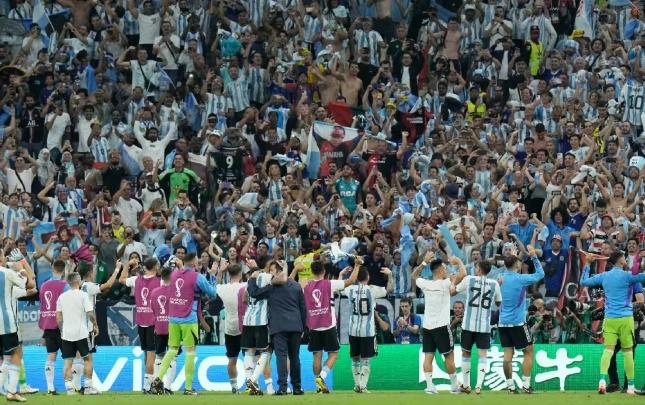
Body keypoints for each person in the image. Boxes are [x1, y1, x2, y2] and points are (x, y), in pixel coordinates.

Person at [150, 253, 217, 395]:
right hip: (189, 319)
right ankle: (188, 388)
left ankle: (157, 380)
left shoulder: (174, 274)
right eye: (197, 261)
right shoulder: (197, 277)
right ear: (192, 263)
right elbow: (212, 293)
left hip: (173, 318)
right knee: (190, 352)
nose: (198, 263)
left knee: (172, 350)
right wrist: (213, 275)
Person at [580, 251, 645, 395]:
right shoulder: (628, 276)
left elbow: (583, 282)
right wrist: (642, 261)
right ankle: (630, 387)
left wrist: (588, 263)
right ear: (621, 261)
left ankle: (602, 381)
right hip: (625, 319)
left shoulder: (604, 276)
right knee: (628, 352)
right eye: (624, 258)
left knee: (608, 351)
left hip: (609, 319)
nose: (626, 259)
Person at [247, 260, 308, 395]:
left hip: (278, 327)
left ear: (278, 271)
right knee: (295, 357)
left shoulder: (272, 287)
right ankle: (297, 388)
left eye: (272, 270)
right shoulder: (296, 286)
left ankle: (283, 388)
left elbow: (254, 293)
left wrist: (252, 279)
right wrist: (303, 328)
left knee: (281, 356)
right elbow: (303, 308)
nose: (270, 273)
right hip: (296, 326)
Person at [301, 257, 360, 393]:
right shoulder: (329, 284)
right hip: (328, 325)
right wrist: (357, 265)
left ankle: (318, 387)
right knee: (334, 354)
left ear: (312, 272)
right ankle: (321, 377)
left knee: (317, 356)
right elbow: (351, 281)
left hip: (314, 326)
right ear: (324, 271)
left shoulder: (305, 286)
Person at [412, 256, 466, 394]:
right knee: (448, 357)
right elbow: (463, 274)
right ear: (441, 270)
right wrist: (458, 261)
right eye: (445, 268)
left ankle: (430, 386)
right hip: (442, 327)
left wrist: (424, 261)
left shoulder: (425, 283)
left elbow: (414, 275)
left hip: (427, 327)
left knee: (428, 357)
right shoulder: (446, 283)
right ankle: (454, 386)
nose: (447, 270)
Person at [497, 245, 544, 394]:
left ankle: (510, 386)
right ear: (517, 265)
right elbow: (540, 273)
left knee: (507, 354)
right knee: (528, 351)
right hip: (517, 322)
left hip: (502, 322)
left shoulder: (499, 278)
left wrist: (512, 257)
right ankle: (525, 385)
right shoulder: (521, 279)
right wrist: (533, 255)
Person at [344, 263, 393, 393]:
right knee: (365, 360)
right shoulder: (372, 289)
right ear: (368, 277)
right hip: (367, 331)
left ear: (356, 277)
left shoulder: (350, 289)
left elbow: (339, 288)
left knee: (355, 358)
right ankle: (363, 386)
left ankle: (357, 385)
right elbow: (389, 289)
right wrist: (390, 275)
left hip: (353, 330)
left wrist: (341, 275)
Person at [455, 261, 501, 394]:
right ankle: (479, 386)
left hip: (468, 325)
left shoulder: (469, 279)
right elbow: (498, 303)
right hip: (484, 326)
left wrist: (453, 281)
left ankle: (466, 385)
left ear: (479, 270)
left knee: (466, 353)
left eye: (476, 267)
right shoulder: (495, 284)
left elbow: (454, 291)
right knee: (482, 355)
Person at [119, 257, 161, 393]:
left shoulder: (136, 280)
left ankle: (147, 384)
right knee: (151, 355)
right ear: (155, 267)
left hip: (141, 321)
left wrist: (127, 265)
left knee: (146, 354)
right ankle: (148, 386)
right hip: (153, 322)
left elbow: (121, 279)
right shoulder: (160, 281)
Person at [56, 272, 99, 395]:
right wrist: (95, 325)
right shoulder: (83, 295)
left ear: (69, 282)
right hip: (82, 334)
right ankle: (88, 388)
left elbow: (58, 318)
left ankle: (70, 389)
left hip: (67, 334)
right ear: (78, 281)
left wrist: (62, 331)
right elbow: (90, 313)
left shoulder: (62, 297)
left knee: (67, 362)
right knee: (87, 359)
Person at [215, 263, 246, 394]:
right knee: (249, 357)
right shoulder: (245, 286)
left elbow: (216, 285)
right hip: (244, 326)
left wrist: (220, 272)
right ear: (240, 274)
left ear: (228, 274)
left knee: (232, 359)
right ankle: (252, 384)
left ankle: (234, 387)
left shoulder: (223, 288)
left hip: (229, 328)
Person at [38, 260, 67, 395]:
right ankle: (71, 388)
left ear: (52, 268)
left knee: (51, 355)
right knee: (68, 357)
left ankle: (50, 388)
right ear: (64, 270)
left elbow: (43, 305)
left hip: (48, 325)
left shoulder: (43, 285)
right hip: (63, 326)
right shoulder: (65, 286)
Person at [149, 262, 176, 394]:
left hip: (159, 327)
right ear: (171, 276)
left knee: (159, 356)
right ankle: (168, 387)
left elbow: (153, 310)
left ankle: (156, 385)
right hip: (173, 328)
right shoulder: (174, 292)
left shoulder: (154, 292)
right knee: (173, 357)